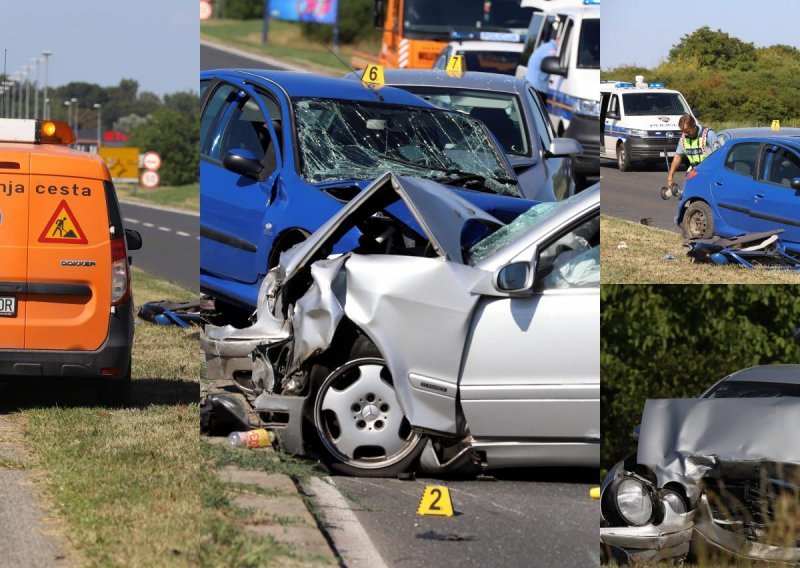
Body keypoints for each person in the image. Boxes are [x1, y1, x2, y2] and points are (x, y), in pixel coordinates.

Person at [667, 114, 718, 187]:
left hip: (709, 173)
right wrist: (670, 176)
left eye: (688, 131)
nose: (685, 134)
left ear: (694, 125)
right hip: (692, 173)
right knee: (687, 195)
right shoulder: (683, 139)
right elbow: (677, 157)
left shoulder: (709, 135)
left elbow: (720, 156)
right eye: (683, 131)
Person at [526, 34, 559, 108]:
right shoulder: (551, 49)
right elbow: (551, 65)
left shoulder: (546, 46)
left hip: (533, 86)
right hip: (538, 89)